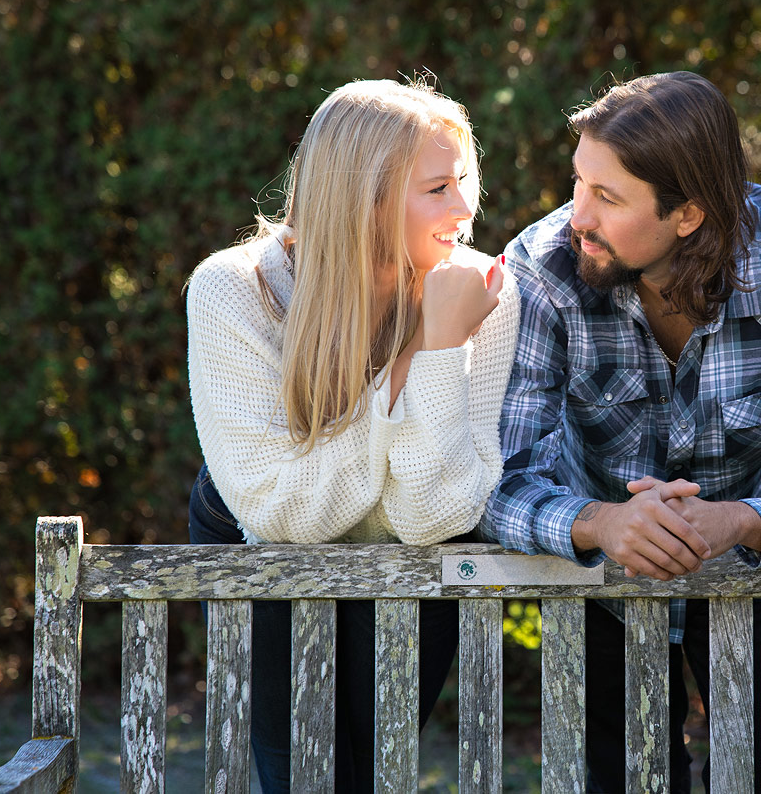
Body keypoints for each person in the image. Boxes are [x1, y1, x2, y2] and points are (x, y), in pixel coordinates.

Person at [482, 71, 761, 792]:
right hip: (599, 579)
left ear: (687, 215)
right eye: (579, 182)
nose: (575, 214)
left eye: (606, 198)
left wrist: (736, 521)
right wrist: (601, 520)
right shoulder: (542, 270)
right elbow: (494, 479)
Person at [185, 78, 517, 793]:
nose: (464, 209)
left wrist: (436, 345)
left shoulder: (483, 290)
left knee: (372, 767)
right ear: (362, 197)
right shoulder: (238, 290)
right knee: (297, 773)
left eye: (462, 180)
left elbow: (436, 514)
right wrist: (417, 361)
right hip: (260, 535)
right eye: (437, 188)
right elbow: (279, 512)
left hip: (411, 539)